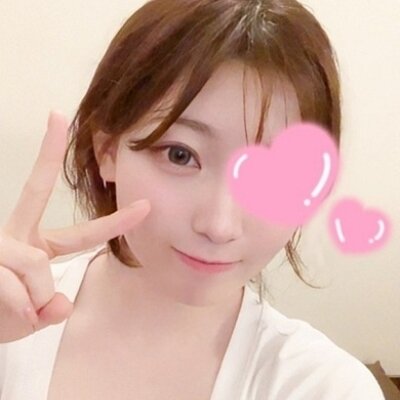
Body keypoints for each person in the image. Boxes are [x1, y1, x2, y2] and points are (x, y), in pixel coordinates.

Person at [0, 0, 385, 399]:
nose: (220, 226)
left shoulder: (324, 387)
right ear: (107, 151)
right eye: (180, 155)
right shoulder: (10, 325)